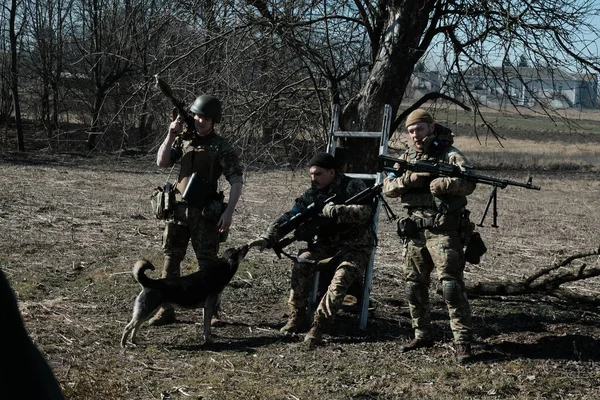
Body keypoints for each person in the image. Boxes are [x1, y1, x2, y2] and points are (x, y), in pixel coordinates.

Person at [382, 109, 476, 363]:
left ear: (431, 128)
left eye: (419, 130)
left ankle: (463, 342)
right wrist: (409, 180)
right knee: (413, 285)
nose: (415, 135)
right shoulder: (406, 157)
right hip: (414, 232)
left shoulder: (450, 154)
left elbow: (471, 181)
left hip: (444, 231)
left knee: (451, 287)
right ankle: (422, 333)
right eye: (411, 131)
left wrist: (447, 185)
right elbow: (387, 187)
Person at [251, 152, 373, 346]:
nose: (313, 179)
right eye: (311, 174)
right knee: (303, 261)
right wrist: (269, 236)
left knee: (341, 278)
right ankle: (297, 315)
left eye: (318, 174)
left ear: (332, 172)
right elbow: (291, 216)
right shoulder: (312, 193)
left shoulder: (353, 186)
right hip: (325, 246)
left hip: (355, 247)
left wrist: (336, 211)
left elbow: (365, 212)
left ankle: (319, 324)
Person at [150, 94, 243, 326]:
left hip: (205, 214)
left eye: (206, 118)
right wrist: (171, 133)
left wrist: (228, 212)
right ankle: (166, 309)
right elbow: (161, 162)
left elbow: (236, 181)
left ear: (214, 121)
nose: (200, 121)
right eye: (198, 116)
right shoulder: (183, 140)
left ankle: (212, 313)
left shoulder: (221, 147)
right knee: (171, 261)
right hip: (178, 212)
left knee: (209, 266)